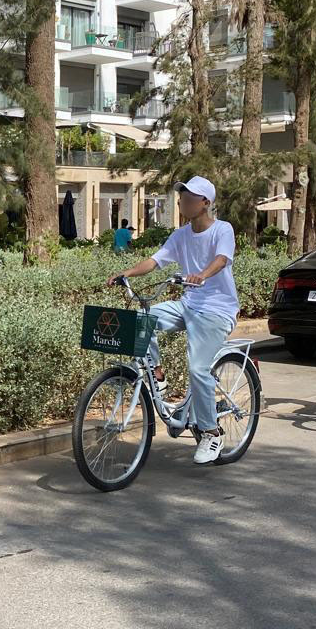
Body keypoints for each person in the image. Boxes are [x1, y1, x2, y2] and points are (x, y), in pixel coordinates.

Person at [107, 176, 239, 464]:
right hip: (188, 304)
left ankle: (212, 432)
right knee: (142, 317)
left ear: (205, 203)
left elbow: (222, 259)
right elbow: (156, 261)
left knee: (198, 368)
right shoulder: (180, 235)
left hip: (217, 310)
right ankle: (157, 373)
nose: (182, 202)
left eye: (189, 198)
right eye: (181, 197)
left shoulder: (222, 230)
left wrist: (202, 274)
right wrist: (127, 273)